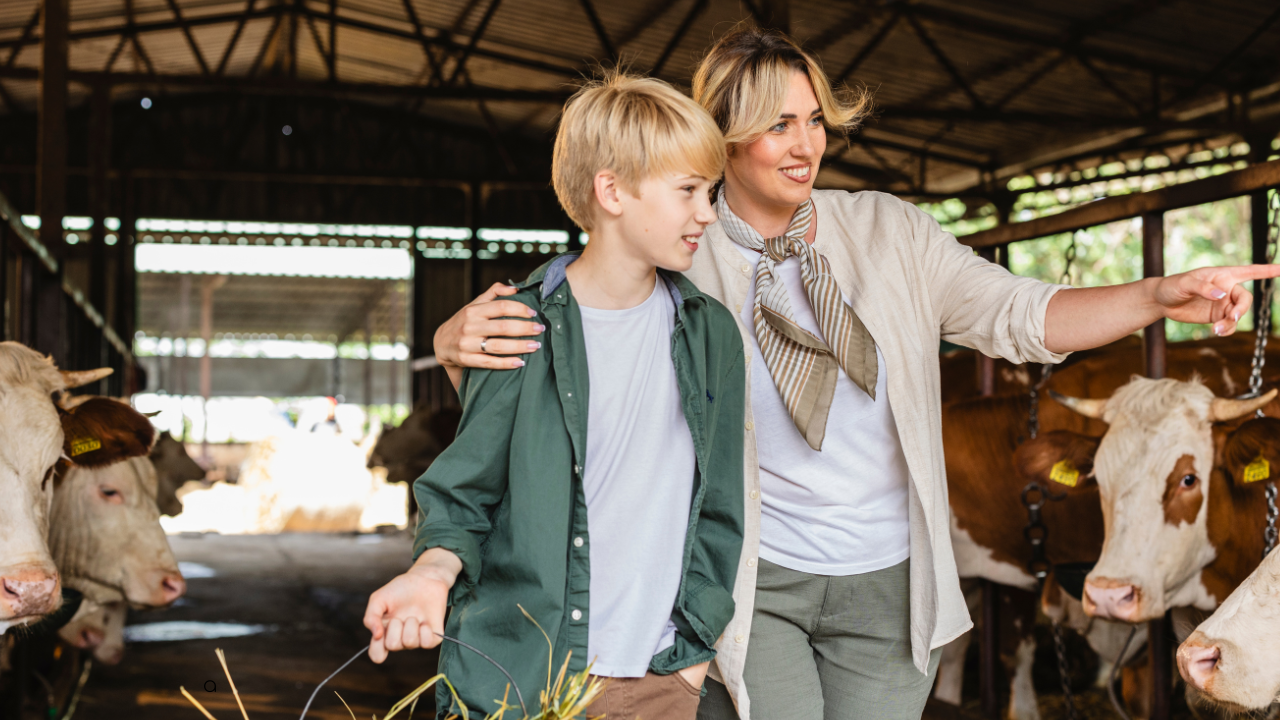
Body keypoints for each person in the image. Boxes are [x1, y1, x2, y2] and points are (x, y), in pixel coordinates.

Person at [430, 27, 1280, 720]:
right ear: (722, 137)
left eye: (814, 120)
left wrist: (1157, 296)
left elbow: (1021, 314)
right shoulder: (681, 253)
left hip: (892, 584)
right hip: (754, 582)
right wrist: (454, 339)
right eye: (777, 126)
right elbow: (585, 338)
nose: (806, 146)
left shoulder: (888, 233)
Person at [362, 72, 747, 720]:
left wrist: (693, 656)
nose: (706, 212)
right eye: (687, 191)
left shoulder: (711, 335)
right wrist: (430, 576)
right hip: (519, 681)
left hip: (659, 681)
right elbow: (463, 493)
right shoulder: (515, 327)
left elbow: (719, 509)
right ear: (611, 190)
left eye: (709, 192)